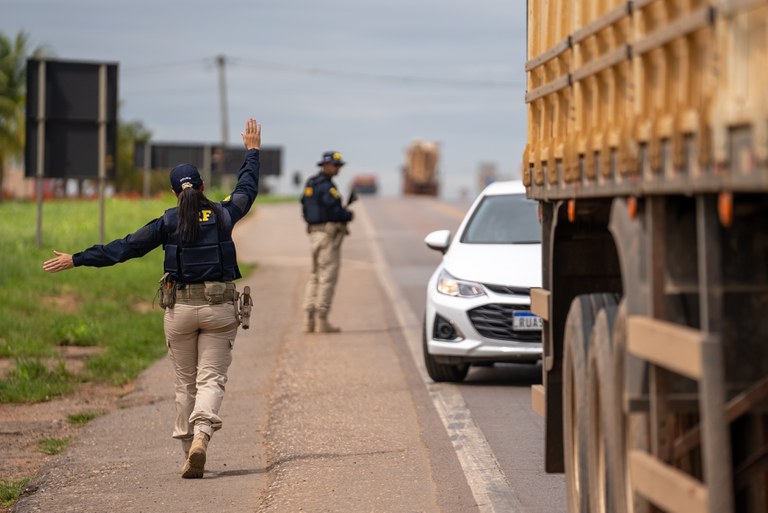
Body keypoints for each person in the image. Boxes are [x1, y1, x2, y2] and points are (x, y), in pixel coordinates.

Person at [42, 118, 262, 479]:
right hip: (220, 309)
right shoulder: (224, 213)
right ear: (203, 186)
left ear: (175, 192)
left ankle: (186, 449)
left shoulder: (167, 222)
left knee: (184, 384)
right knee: (211, 380)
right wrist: (252, 152)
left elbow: (124, 248)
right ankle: (202, 437)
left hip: (180, 311)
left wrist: (77, 258)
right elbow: (247, 188)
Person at [300, 150, 354, 333]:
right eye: (336, 166)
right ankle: (321, 319)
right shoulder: (327, 187)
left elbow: (304, 206)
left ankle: (309, 319)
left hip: (313, 234)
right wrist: (347, 214)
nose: (338, 169)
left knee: (315, 276)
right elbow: (334, 211)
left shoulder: (311, 183)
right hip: (327, 235)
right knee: (327, 278)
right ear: (326, 166)